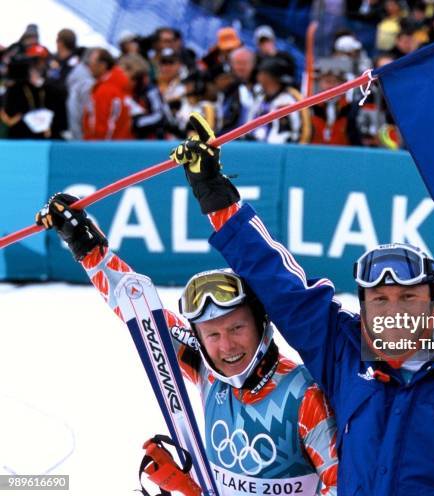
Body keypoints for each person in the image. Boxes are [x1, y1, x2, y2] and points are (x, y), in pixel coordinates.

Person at [168, 113, 434, 495]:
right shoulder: (342, 349)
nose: (394, 311)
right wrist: (216, 196)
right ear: (365, 305)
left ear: (431, 303)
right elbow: (279, 284)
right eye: (380, 300)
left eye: (408, 297)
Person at [34, 179, 338, 495]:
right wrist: (84, 245)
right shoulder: (208, 370)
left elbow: (342, 485)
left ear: (262, 324)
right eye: (213, 334)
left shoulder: (306, 397)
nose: (226, 346)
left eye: (237, 328)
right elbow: (141, 315)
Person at [82, 47, 133, 140]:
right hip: (120, 144)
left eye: (92, 63)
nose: (90, 68)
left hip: (106, 147)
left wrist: (98, 148)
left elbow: (102, 125)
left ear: (103, 65)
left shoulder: (106, 90)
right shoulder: (117, 84)